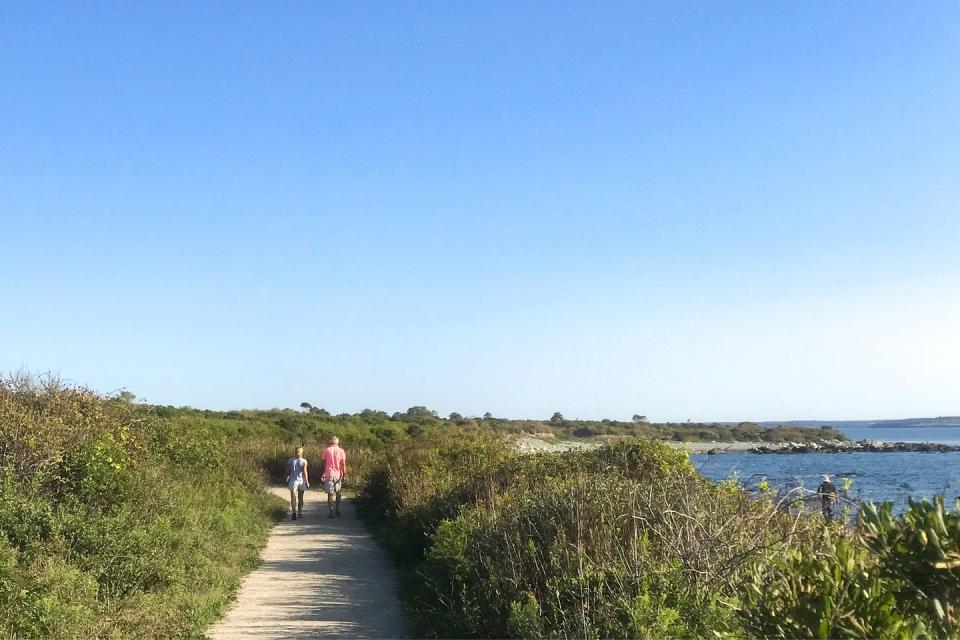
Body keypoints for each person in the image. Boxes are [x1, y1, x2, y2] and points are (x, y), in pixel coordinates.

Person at [320, 436, 347, 518]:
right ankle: (337, 510)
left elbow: (323, 461)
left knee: (330, 493)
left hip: (329, 473)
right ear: (338, 443)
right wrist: (344, 475)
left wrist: (323, 471)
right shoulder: (341, 451)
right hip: (338, 474)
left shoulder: (326, 450)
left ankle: (331, 511)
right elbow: (343, 464)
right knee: (338, 492)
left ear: (331, 442)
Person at [286, 446, 309, 520]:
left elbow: (288, 470)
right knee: (300, 497)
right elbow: (305, 471)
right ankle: (298, 513)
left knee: (294, 497)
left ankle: (295, 512)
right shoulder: (304, 461)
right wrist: (307, 481)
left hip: (294, 480)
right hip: (300, 480)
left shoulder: (291, 460)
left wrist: (287, 476)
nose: (298, 453)